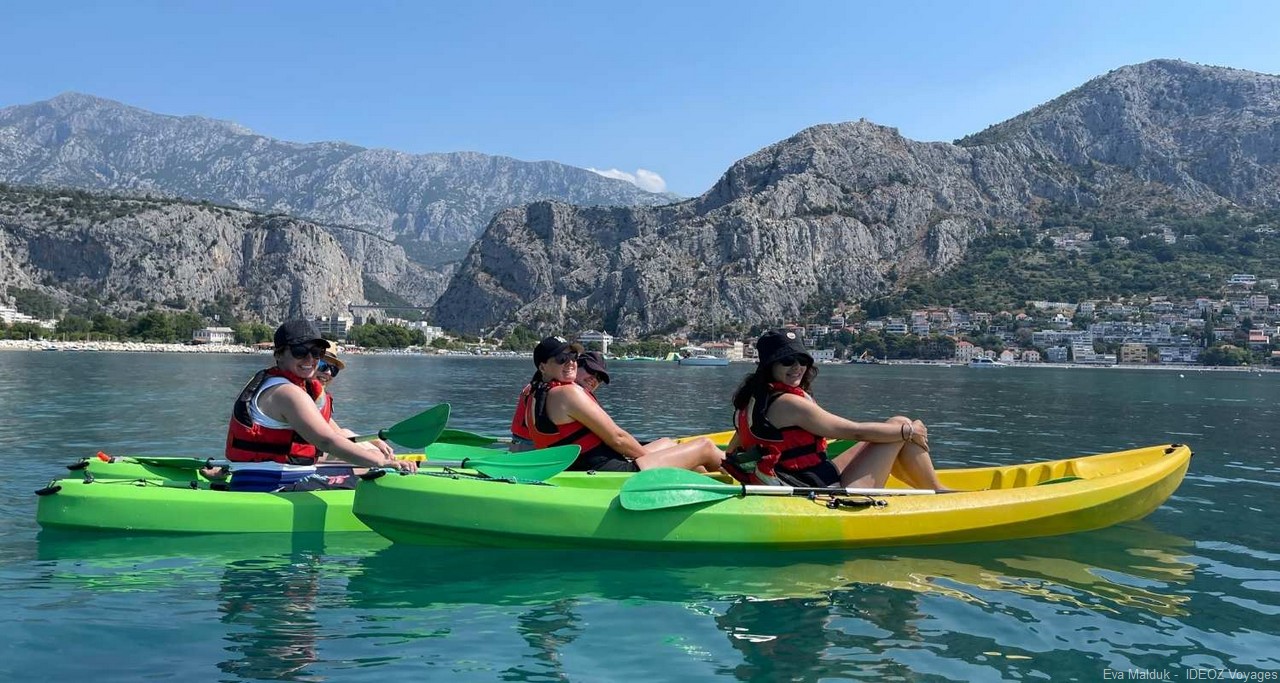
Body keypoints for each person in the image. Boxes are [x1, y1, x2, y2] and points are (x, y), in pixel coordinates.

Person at [725, 329, 952, 491]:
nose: (797, 367)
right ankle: (936, 491)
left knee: (896, 424)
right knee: (900, 427)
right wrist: (910, 432)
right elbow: (855, 432)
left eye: (801, 360)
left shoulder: (755, 398)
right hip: (823, 490)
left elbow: (733, 450)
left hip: (810, 477)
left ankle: (924, 486)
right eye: (787, 361)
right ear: (769, 366)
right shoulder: (788, 403)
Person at [224, 320, 416, 492]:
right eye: (300, 351)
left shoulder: (278, 383)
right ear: (279, 354)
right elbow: (327, 442)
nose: (310, 360)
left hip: (264, 479)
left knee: (366, 468)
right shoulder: (287, 393)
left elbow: (335, 433)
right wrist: (381, 461)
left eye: (317, 353)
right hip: (273, 485)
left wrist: (375, 453)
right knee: (373, 478)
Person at [526, 335, 723, 472]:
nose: (570, 363)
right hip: (610, 473)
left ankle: (708, 482)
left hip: (587, 466)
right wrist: (647, 460)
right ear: (543, 366)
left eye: (573, 357)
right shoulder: (567, 393)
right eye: (562, 358)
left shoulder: (534, 394)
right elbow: (617, 438)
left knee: (667, 443)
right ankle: (748, 483)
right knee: (704, 446)